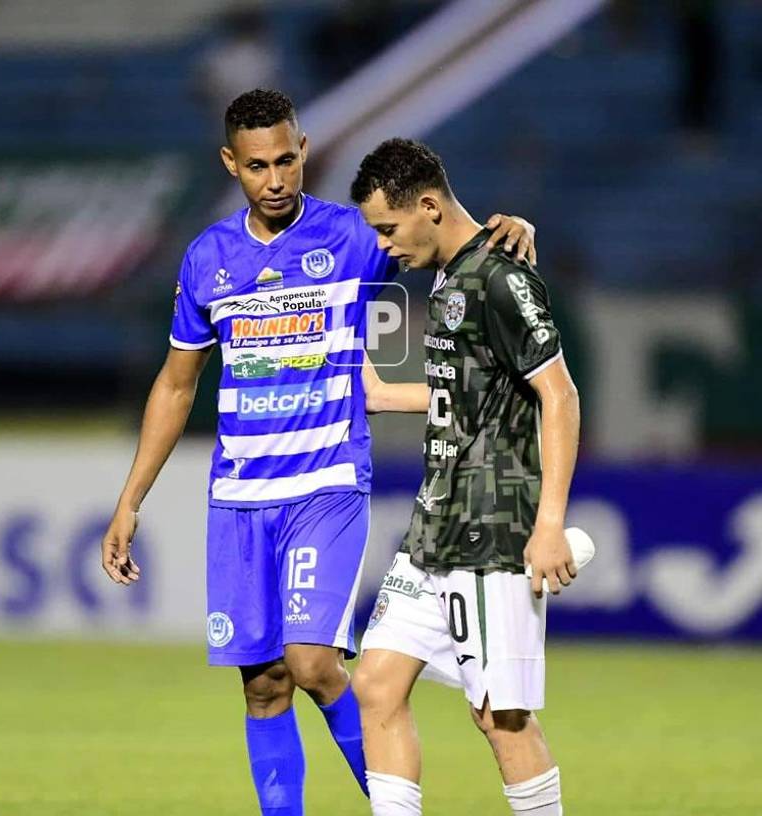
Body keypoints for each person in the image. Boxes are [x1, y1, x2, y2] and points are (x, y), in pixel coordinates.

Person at [99, 89, 539, 816]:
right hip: (238, 497)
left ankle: (392, 803)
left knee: (311, 663)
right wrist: (129, 500)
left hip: (326, 485)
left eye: (286, 161)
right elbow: (177, 387)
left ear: (304, 152)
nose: (275, 179)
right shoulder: (209, 259)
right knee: (264, 683)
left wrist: (512, 227)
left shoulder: (354, 238)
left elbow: (440, 240)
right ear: (230, 165)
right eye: (256, 167)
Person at [348, 138, 582, 816]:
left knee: (500, 719)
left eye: (389, 229)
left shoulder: (499, 277)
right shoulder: (454, 273)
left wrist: (548, 526)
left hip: (490, 530)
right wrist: (392, 396)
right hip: (436, 524)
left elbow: (558, 395)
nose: (386, 245)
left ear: (427, 206)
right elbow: (471, 386)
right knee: (377, 683)